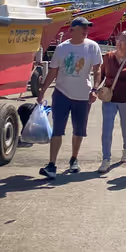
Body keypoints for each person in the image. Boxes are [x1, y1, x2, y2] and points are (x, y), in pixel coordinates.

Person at [37, 16, 103, 179]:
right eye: (83, 27)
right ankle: (52, 164)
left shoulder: (92, 47)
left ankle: (74, 159)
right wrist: (42, 89)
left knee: (79, 130)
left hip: (83, 95)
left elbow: (98, 69)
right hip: (61, 94)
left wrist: (95, 89)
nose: (86, 30)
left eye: (87, 28)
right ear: (72, 30)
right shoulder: (62, 48)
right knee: (57, 129)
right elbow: (53, 70)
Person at [98, 30, 126, 174]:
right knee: (106, 130)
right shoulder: (108, 57)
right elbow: (101, 74)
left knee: (125, 127)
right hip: (110, 99)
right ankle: (106, 159)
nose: (118, 42)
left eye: (122, 40)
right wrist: (95, 88)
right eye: (117, 40)